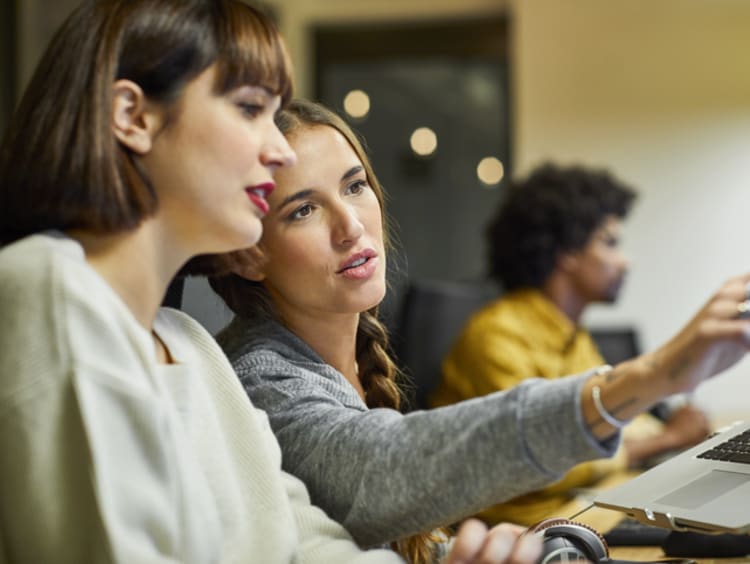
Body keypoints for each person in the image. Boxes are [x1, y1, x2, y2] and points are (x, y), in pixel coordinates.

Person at [0, 3, 540, 563]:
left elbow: (304, 547)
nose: (279, 148)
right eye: (251, 108)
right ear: (133, 117)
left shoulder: (189, 345)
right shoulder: (48, 287)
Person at [208, 98, 750, 561]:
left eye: (355, 187)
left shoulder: (345, 360)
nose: (350, 226)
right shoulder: (258, 378)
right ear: (248, 253)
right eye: (303, 210)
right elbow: (380, 471)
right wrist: (651, 376)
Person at [430, 163, 712, 526]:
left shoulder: (571, 335)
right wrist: (667, 439)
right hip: (526, 529)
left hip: (579, 506)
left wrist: (679, 433)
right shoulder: (495, 336)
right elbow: (541, 458)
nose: (624, 262)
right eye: (609, 243)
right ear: (567, 253)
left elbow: (617, 418)